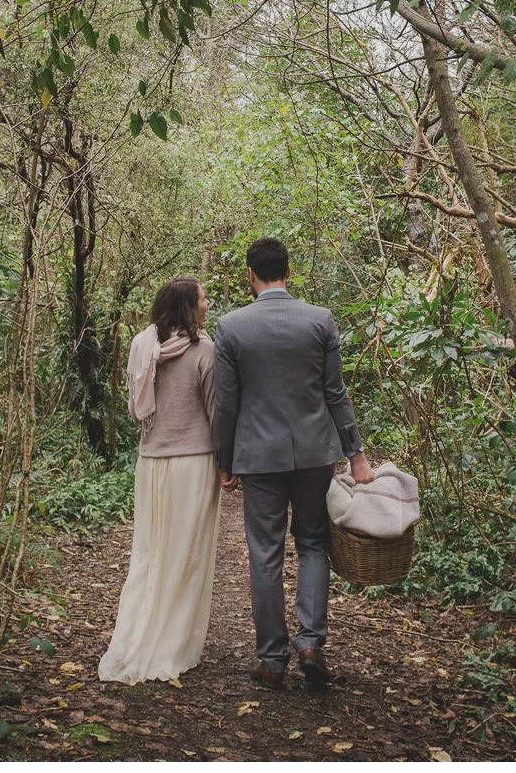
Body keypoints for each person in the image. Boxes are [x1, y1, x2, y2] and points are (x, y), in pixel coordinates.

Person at [213, 237, 374, 692]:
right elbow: (335, 393)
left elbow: (226, 403)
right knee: (313, 544)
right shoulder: (319, 320)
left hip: (258, 456)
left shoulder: (231, 327)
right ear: (289, 270)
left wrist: (224, 460)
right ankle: (311, 645)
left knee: (265, 553)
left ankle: (272, 661)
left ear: (250, 274)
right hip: (314, 453)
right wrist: (356, 455)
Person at [99, 278, 220, 685]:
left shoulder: (143, 346)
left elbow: (137, 409)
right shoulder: (204, 351)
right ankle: (173, 644)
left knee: (150, 552)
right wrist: (227, 464)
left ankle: (139, 633)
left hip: (151, 463)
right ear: (188, 306)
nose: (207, 303)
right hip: (194, 463)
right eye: (202, 298)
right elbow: (216, 412)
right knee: (187, 553)